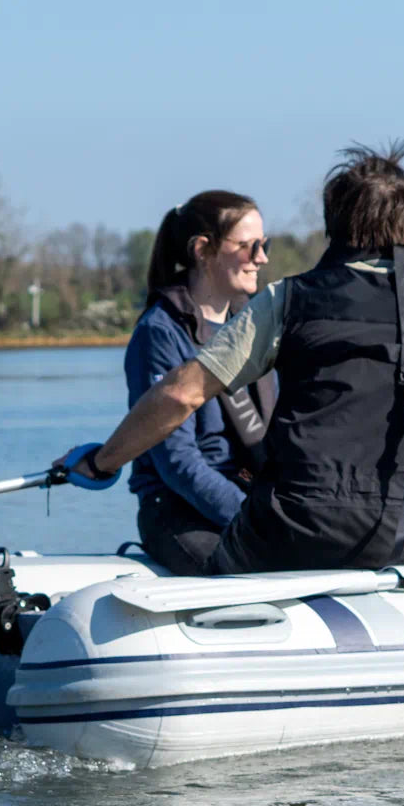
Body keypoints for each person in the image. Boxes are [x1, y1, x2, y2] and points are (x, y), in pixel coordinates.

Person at [58, 142, 404, 572]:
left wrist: (105, 462)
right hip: (401, 544)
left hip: (289, 541)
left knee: (215, 565)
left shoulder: (287, 300)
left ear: (333, 228)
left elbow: (180, 393)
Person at [122, 190, 275, 574]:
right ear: (203, 250)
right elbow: (177, 461)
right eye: (248, 246)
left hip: (250, 500)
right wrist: (251, 520)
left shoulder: (256, 325)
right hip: (177, 512)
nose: (262, 258)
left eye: (264, 244)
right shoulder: (159, 333)